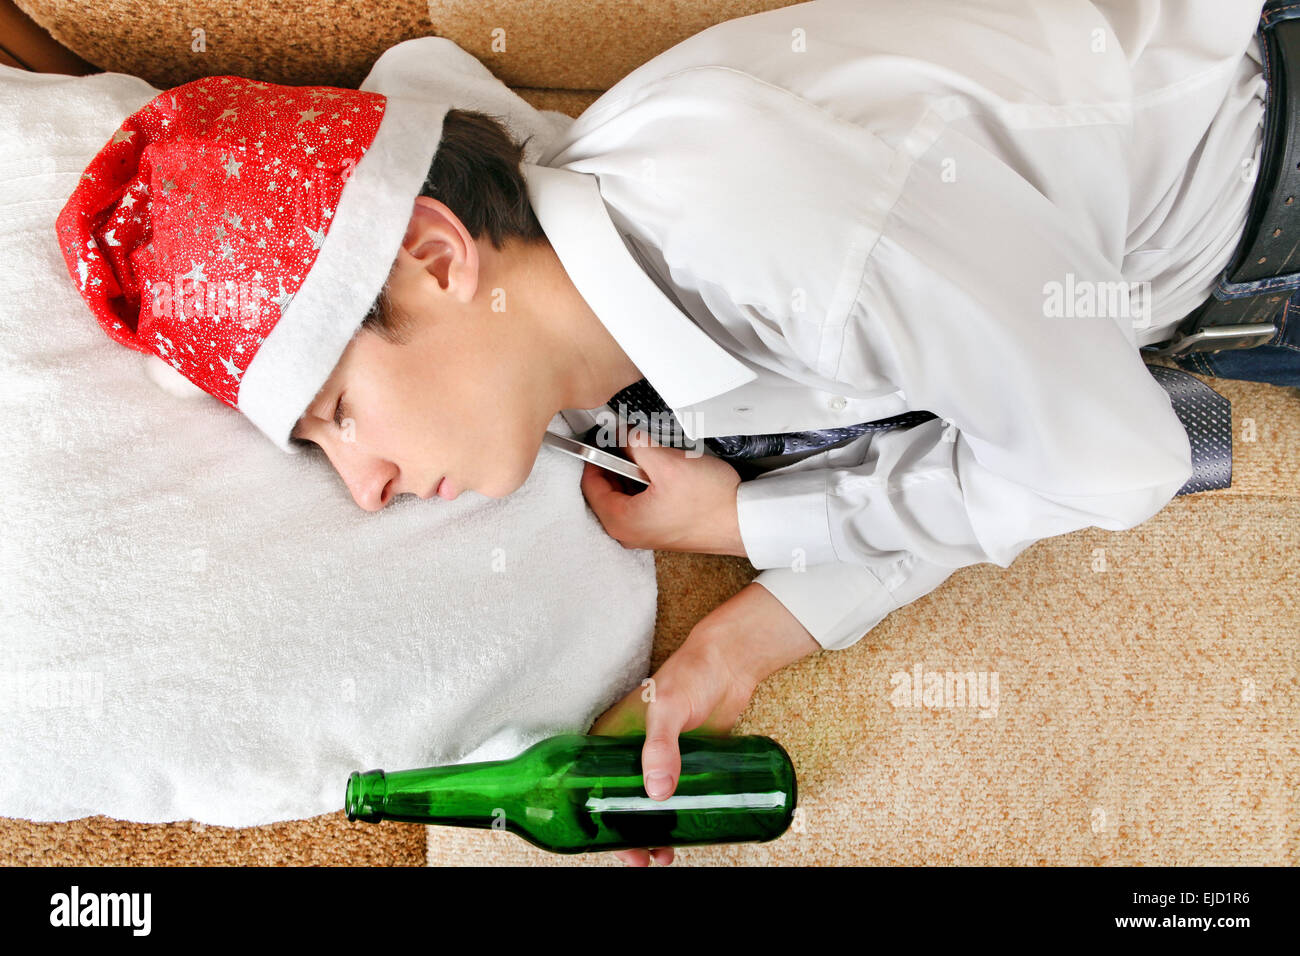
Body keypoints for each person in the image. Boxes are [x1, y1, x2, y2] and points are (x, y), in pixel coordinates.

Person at [59, 0, 1293, 866]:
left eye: (339, 414)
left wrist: (754, 520)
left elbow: (1115, 456)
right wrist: (756, 629)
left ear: (434, 254)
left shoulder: (764, 224)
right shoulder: (593, 352)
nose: (366, 488)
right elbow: (987, 439)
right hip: (1200, 303)